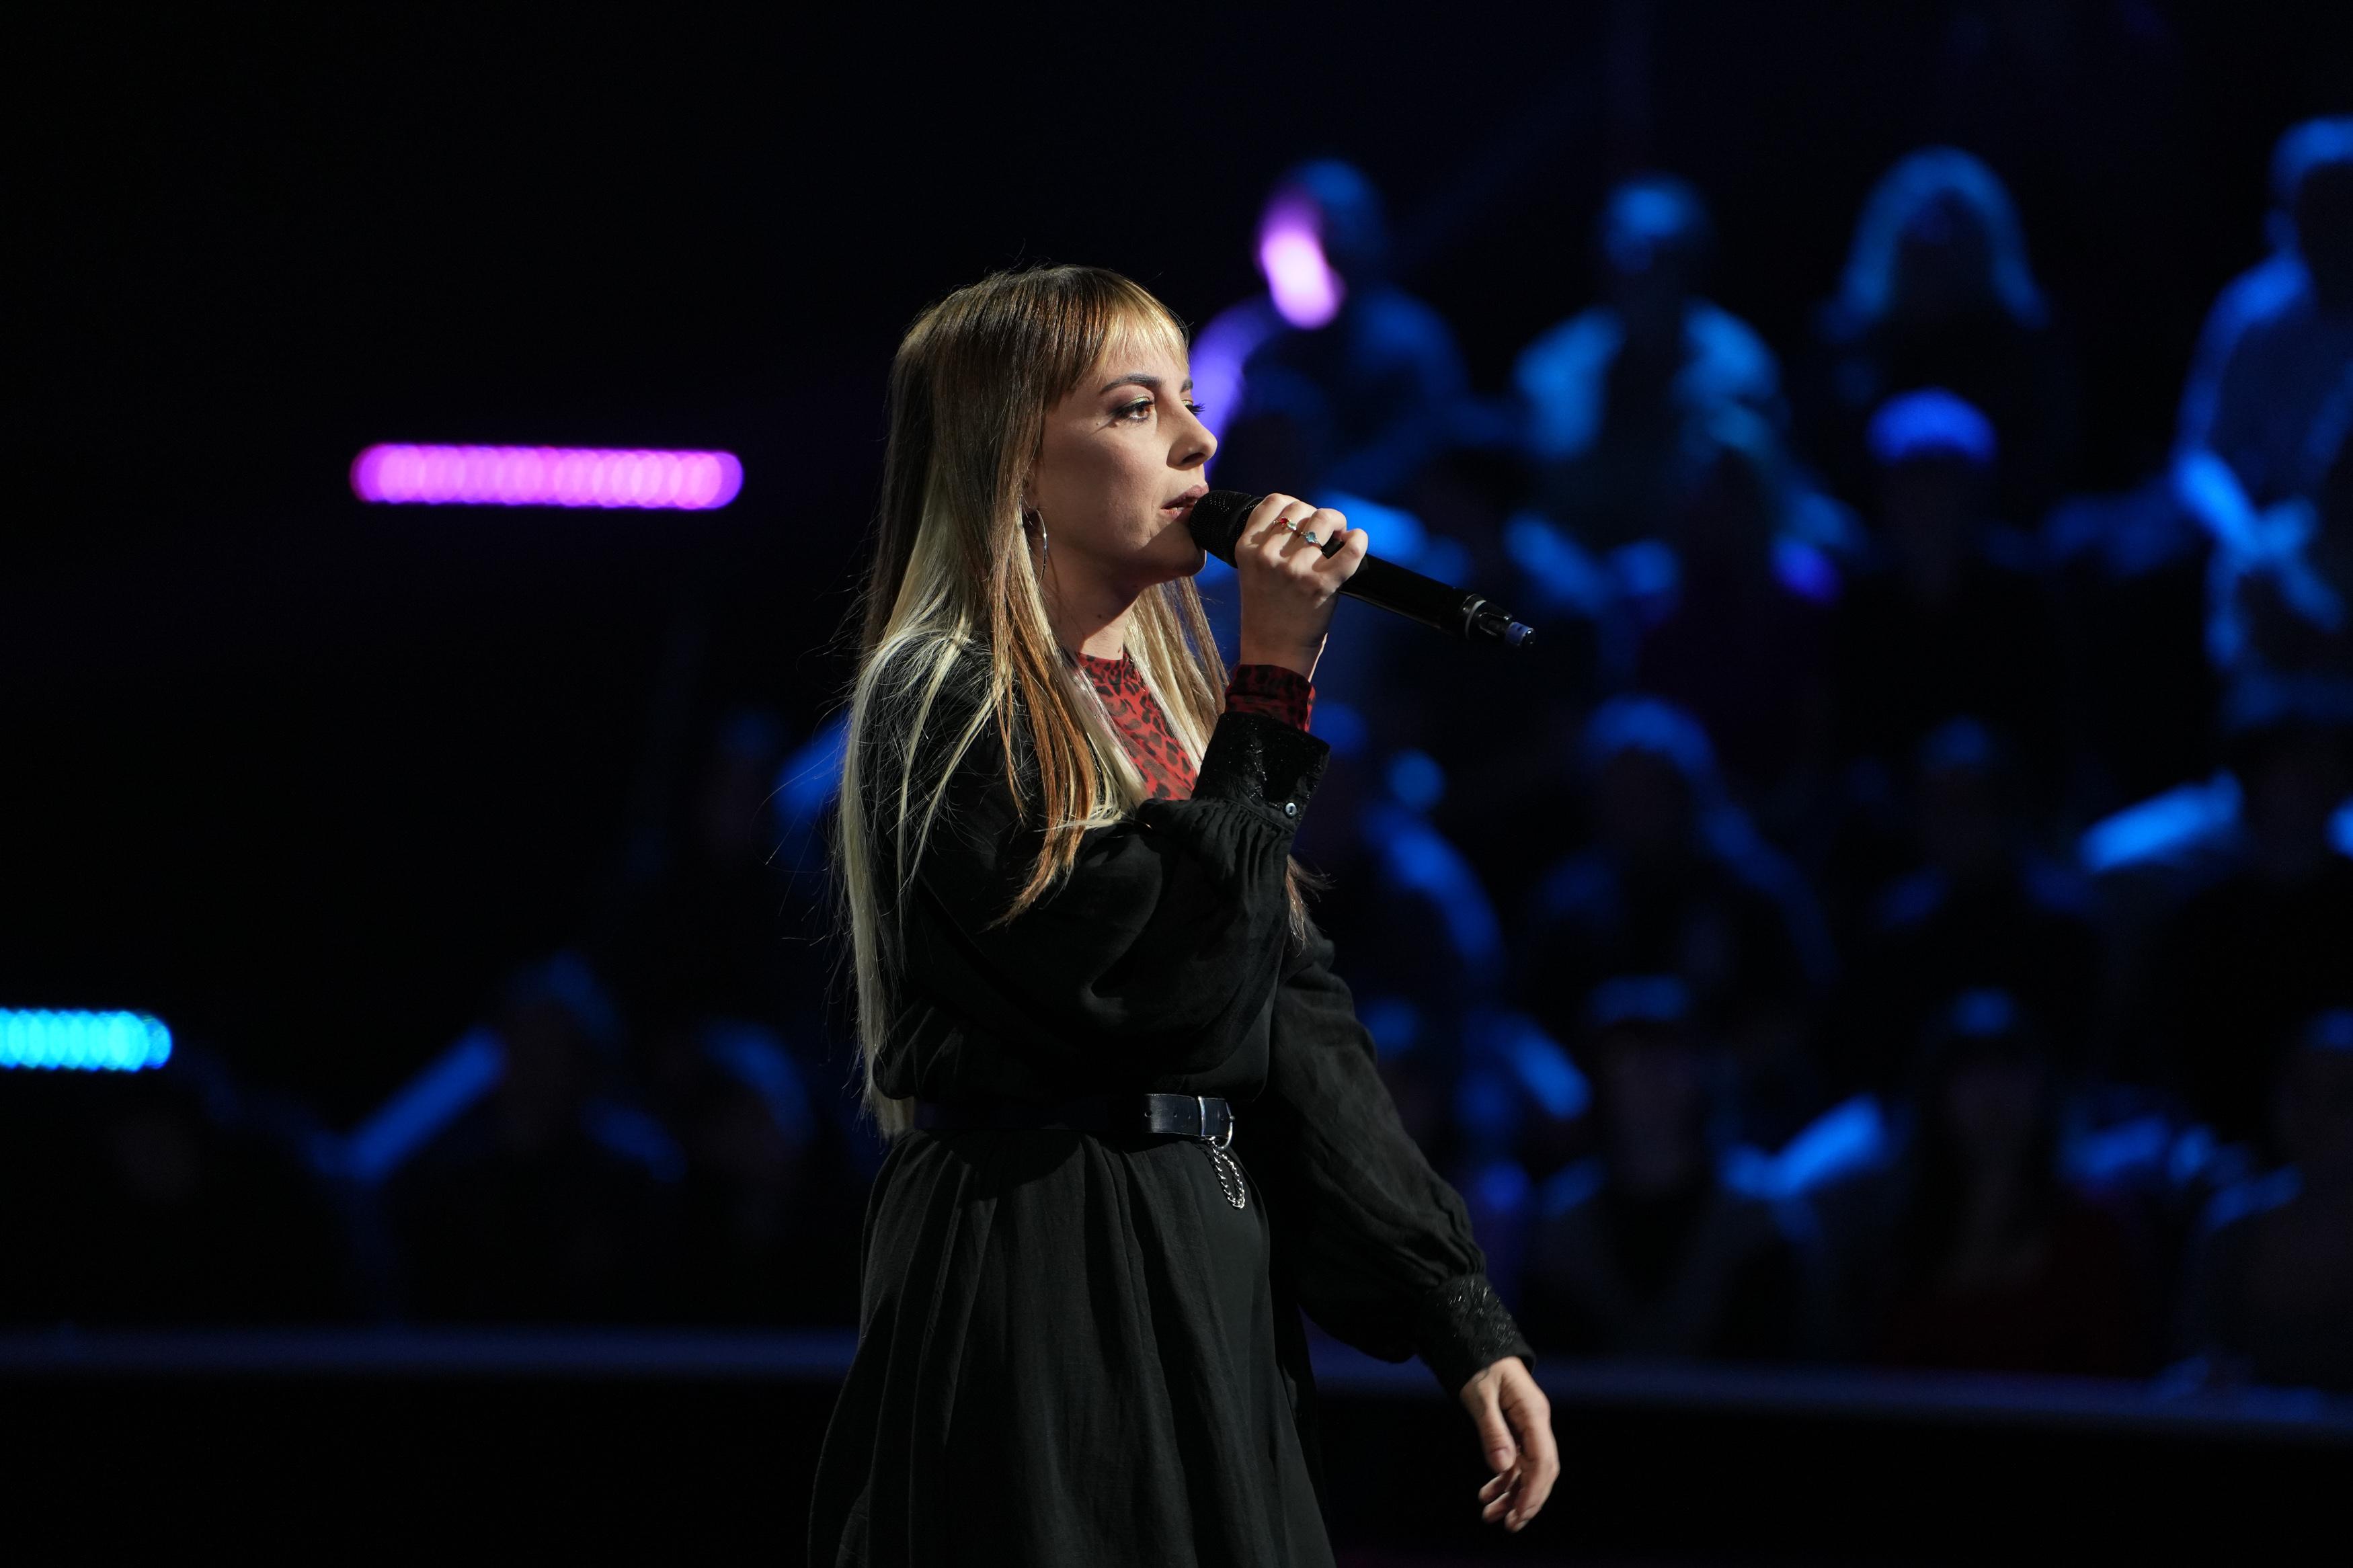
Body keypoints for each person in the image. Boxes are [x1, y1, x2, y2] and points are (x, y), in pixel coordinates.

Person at [809, 267, 1554, 1566]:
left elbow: (1290, 1015)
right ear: (1015, 462)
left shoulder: (1171, 704)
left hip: (1201, 1246)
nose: (1202, 442)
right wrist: (1274, 683)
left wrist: (1458, 1309)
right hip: (1041, 1255)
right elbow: (1154, 987)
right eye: (1135, 407)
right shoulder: (942, 699)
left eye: (1193, 401)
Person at [1804, 147, 2076, 527]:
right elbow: (1820, 456)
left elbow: (2045, 464)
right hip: (1867, 538)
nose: (1937, 235)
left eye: (1955, 224)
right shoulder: (1850, 346)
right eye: (1923, 221)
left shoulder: (2024, 348)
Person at [1515, 175, 1782, 552]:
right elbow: (1530, 508)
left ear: (1692, 262)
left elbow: (1763, 500)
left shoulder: (1737, 373)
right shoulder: (1551, 374)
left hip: (1699, 564)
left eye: (1657, 251)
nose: (1635, 265)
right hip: (1575, 569)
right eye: (1622, 247)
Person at [2182, 1009, 2353, 1393]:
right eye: (2302, 1092)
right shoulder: (2232, 1230)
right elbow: (2195, 1368)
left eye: (2342, 1097)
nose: (2316, 1117)